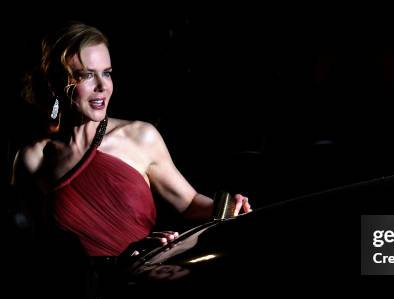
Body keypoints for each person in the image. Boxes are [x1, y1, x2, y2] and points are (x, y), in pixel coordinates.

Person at [12, 21, 252, 257]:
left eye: (106, 73)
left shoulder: (140, 137)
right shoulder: (33, 158)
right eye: (86, 75)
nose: (102, 86)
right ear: (55, 82)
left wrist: (228, 207)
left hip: (141, 286)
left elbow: (189, 203)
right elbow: (32, 250)